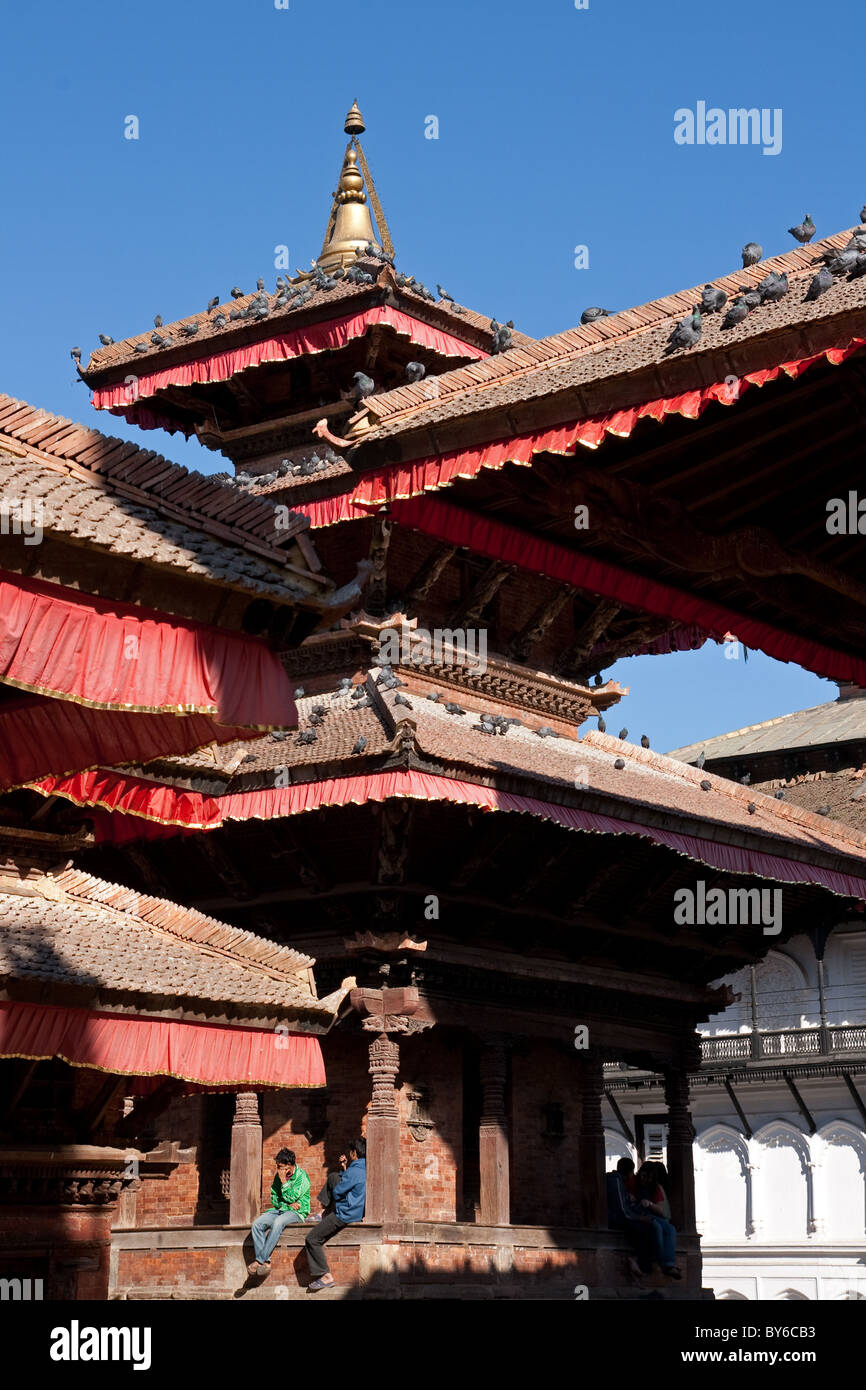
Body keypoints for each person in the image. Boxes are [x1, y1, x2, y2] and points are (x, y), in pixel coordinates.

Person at [305, 1137, 366, 1291]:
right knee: (335, 1177)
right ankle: (322, 1213)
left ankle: (325, 1276)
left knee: (312, 1239)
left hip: (345, 1214)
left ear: (353, 1153)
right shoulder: (366, 1168)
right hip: (357, 1210)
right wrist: (345, 1167)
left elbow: (338, 1192)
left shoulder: (354, 1170)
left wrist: (345, 1172)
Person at [248, 1148, 311, 1277]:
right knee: (257, 1224)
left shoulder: (301, 1177)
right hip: (282, 1209)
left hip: (298, 1212)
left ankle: (259, 1260)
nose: (277, 1169)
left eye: (280, 1166)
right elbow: (274, 1198)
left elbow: (293, 1197)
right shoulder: (278, 1176)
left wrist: (284, 1182)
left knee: (278, 1222)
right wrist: (286, 1204)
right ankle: (266, 1262)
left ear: (288, 1166)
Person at [635, 1161, 680, 1279]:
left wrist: (649, 1204)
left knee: (670, 1229)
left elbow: (661, 1210)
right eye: (644, 1176)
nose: (646, 1180)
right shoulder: (634, 1184)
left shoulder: (655, 1187)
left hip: (652, 1214)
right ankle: (662, 1262)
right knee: (657, 1227)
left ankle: (670, 1264)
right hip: (637, 1215)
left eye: (649, 1177)